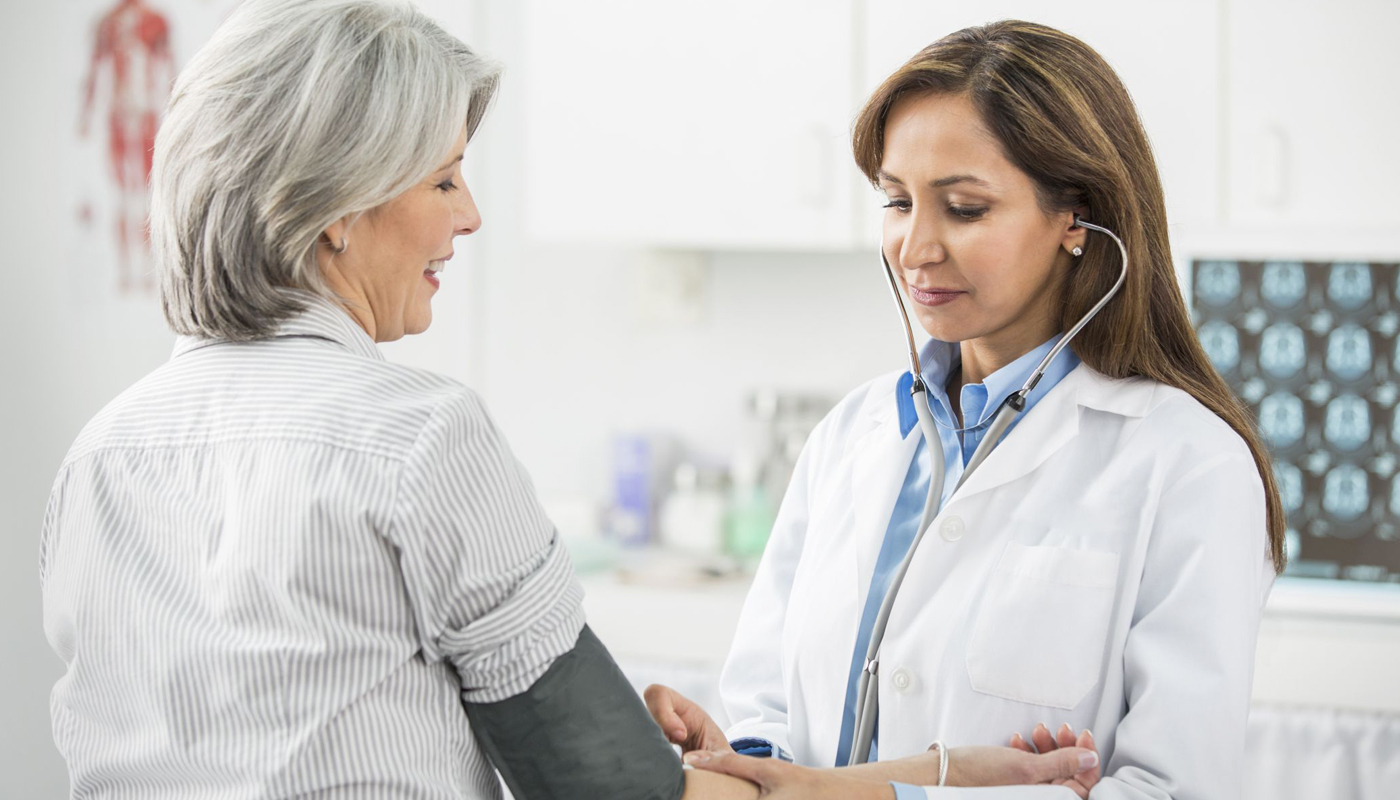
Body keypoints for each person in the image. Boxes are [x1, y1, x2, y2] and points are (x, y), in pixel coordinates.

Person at [42, 1, 767, 797]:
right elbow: (606, 788)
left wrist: (629, 745)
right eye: (444, 179)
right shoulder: (418, 436)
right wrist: (741, 778)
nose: (470, 215)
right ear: (337, 209)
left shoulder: (96, 456)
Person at [650, 19, 1283, 800]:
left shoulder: (1188, 464)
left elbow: (1172, 789)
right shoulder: (853, 433)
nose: (915, 246)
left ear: (1076, 221)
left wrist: (878, 795)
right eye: (896, 201)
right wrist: (746, 765)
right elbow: (768, 695)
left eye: (965, 208)